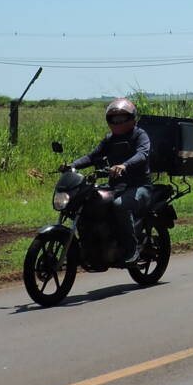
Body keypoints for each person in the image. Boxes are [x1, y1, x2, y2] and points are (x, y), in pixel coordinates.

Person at [63, 98, 152, 266]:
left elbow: (142, 154)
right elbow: (92, 156)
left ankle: (132, 249)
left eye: (121, 118)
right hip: (116, 186)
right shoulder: (109, 139)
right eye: (114, 118)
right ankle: (91, 247)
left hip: (139, 186)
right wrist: (72, 165)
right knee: (88, 200)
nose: (117, 121)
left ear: (132, 118)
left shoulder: (140, 135)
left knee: (120, 205)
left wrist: (124, 165)